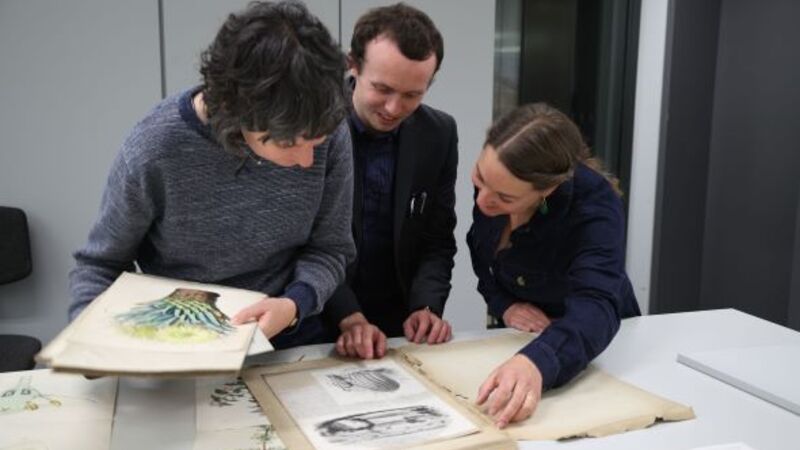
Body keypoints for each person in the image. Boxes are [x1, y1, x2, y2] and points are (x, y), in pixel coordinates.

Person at [68, 0, 355, 349]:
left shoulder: (325, 124)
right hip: (183, 339)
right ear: (241, 111)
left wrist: (294, 305)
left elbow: (330, 250)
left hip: (290, 330)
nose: (308, 160)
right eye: (290, 143)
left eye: (317, 142)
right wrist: (90, 345)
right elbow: (99, 265)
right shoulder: (154, 149)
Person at [466, 103, 641, 427]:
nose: (482, 200)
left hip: (593, 342)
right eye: (479, 177)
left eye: (504, 198)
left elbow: (597, 303)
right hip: (521, 336)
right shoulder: (496, 180)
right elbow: (480, 252)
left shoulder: (595, 207)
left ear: (547, 189)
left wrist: (538, 362)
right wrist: (504, 305)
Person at [323, 3, 459, 359]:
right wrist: (348, 317)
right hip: (317, 319)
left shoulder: (439, 133)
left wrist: (427, 307)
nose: (394, 108)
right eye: (382, 89)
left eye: (413, 95)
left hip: (401, 329)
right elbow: (301, 242)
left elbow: (436, 238)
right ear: (352, 66)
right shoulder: (312, 127)